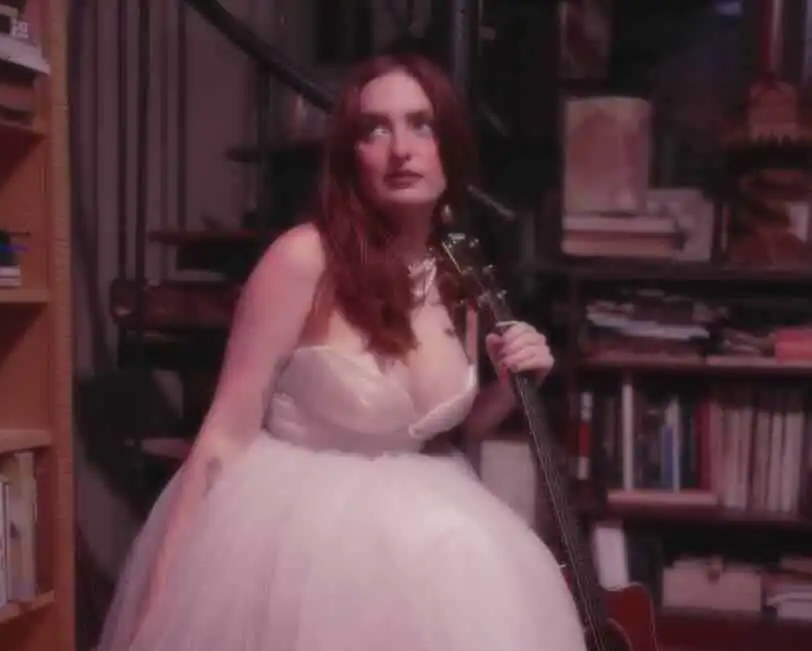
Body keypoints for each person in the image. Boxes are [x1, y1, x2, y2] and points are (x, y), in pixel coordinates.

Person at [97, 53, 587, 651]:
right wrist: (158, 609)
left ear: (448, 148)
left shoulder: (459, 270)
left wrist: (503, 392)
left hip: (424, 542)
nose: (400, 148)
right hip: (299, 546)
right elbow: (221, 438)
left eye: (420, 124)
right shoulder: (304, 259)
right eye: (375, 129)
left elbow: (434, 438)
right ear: (352, 157)